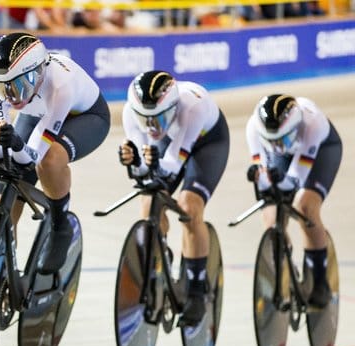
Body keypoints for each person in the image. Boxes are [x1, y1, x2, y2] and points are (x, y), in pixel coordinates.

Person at [0, 32, 110, 274]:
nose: (11, 96)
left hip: (85, 116)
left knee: (50, 162)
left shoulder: (61, 85)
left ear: (38, 72)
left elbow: (34, 156)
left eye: (19, 85)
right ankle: (3, 275)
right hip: (37, 112)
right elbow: (1, 156)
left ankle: (60, 224)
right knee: (7, 183)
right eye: (3, 87)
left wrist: (15, 145)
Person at [118, 70, 229, 326]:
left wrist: (146, 164)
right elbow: (143, 170)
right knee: (149, 203)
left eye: (157, 118)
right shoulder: (130, 113)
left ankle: (197, 289)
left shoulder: (192, 108)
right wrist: (132, 160)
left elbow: (173, 162)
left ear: (172, 106)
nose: (150, 127)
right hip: (170, 143)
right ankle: (161, 256)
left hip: (206, 143)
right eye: (144, 120)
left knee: (189, 208)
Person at [245, 94, 341, 308]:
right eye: (272, 140)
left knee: (305, 207)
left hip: (321, 150)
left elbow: (296, 179)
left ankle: (319, 279)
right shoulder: (253, 128)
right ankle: (284, 265)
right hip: (283, 154)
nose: (278, 145)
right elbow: (263, 180)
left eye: (282, 139)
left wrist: (277, 185)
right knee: (271, 215)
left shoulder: (312, 124)